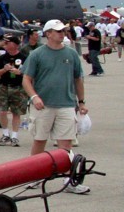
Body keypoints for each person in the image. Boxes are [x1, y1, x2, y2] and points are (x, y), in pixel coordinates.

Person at [22, 20, 90, 193]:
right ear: (48, 33)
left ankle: (69, 180)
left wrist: (81, 102)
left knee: (65, 145)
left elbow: (78, 79)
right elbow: (26, 80)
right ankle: (35, 176)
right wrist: (34, 97)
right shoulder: (37, 54)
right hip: (43, 106)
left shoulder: (71, 54)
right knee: (39, 140)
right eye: (58, 31)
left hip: (66, 104)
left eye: (63, 31)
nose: (62, 34)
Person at [0, 35, 29, 147]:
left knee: (16, 112)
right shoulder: (3, 58)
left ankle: (14, 136)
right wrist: (4, 69)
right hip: (4, 86)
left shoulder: (24, 57)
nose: (6, 45)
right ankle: (5, 134)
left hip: (18, 87)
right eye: (5, 43)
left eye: (8, 43)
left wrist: (20, 73)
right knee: (2, 111)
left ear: (15, 44)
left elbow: (30, 73)